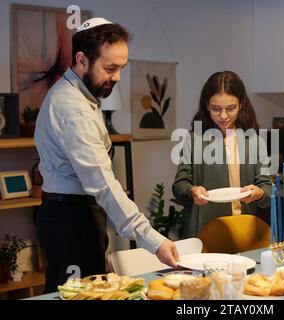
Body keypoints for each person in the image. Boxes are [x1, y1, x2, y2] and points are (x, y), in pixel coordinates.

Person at [35, 18, 179, 293]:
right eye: (110, 68)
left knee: (93, 293)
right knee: (78, 297)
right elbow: (102, 183)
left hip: (75, 216)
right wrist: (154, 240)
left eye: (121, 68)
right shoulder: (73, 110)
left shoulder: (80, 96)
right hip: (71, 222)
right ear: (81, 60)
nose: (117, 77)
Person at [172, 71, 272, 238]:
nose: (224, 116)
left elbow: (267, 190)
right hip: (206, 232)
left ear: (241, 104)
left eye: (231, 108)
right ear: (206, 105)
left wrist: (259, 193)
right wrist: (192, 191)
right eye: (216, 109)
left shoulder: (254, 141)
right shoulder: (194, 140)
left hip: (245, 232)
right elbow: (179, 185)